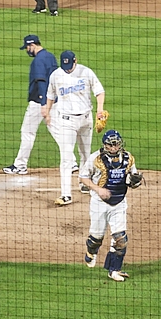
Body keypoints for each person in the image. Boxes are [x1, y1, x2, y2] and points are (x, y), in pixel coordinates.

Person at [43, 50, 106, 206]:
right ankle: (66, 195)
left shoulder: (86, 72)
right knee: (66, 158)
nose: (68, 69)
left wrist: (99, 110)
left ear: (75, 61)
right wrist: (48, 111)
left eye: (70, 66)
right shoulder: (56, 75)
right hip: (66, 121)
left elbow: (99, 91)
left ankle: (84, 182)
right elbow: (50, 95)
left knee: (85, 153)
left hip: (86, 118)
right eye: (65, 66)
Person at [79, 130, 142, 282]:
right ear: (105, 145)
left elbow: (133, 181)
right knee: (96, 238)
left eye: (116, 144)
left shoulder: (128, 158)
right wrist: (98, 189)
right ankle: (91, 251)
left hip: (119, 203)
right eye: (110, 145)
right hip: (99, 204)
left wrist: (135, 182)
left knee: (120, 239)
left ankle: (114, 270)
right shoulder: (96, 158)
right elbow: (83, 177)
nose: (114, 148)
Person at [2, 35, 58, 176]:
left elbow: (41, 81)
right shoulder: (51, 57)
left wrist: (43, 103)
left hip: (39, 103)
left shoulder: (38, 61)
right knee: (58, 132)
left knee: (27, 132)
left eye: (27, 47)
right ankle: (72, 163)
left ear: (32, 45)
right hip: (54, 101)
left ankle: (20, 165)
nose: (27, 50)